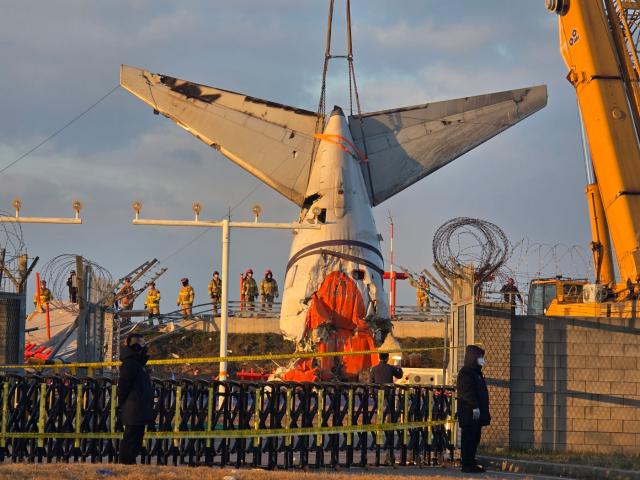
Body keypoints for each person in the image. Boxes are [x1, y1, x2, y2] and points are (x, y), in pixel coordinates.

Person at [118, 333, 154, 464]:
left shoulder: (137, 364)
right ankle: (125, 464)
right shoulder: (130, 364)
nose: (144, 347)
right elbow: (123, 387)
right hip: (133, 408)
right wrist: (122, 405)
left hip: (138, 408)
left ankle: (129, 463)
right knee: (130, 439)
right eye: (142, 344)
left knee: (136, 439)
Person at [456, 344, 490, 474]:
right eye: (480, 357)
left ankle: (471, 462)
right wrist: (475, 407)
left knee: (475, 438)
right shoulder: (466, 373)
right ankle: (467, 464)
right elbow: (466, 393)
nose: (482, 360)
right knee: (469, 438)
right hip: (469, 412)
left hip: (476, 413)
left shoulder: (476, 373)